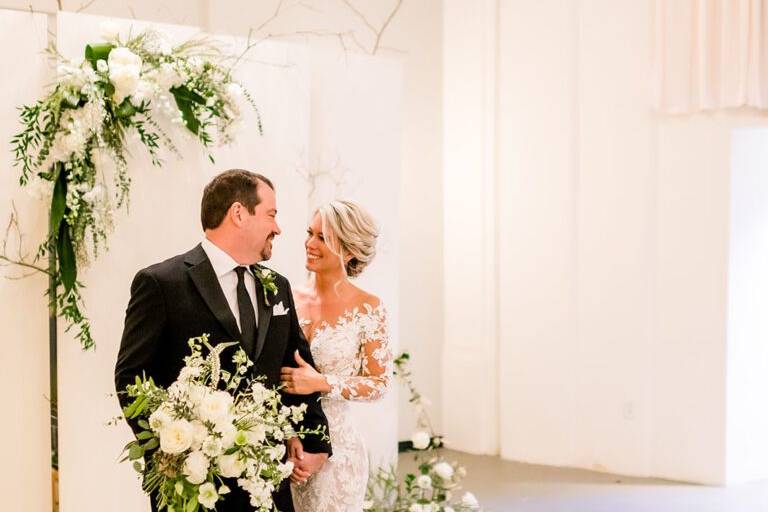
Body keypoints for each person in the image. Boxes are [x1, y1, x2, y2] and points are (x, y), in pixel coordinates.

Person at [114, 169, 331, 512]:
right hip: (193, 488)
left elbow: (296, 367)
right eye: (271, 215)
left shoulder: (277, 287)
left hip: (267, 482)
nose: (278, 228)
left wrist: (315, 443)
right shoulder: (161, 283)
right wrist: (173, 452)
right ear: (239, 214)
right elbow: (131, 378)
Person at [279, 200, 392, 512]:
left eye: (322, 238)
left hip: (341, 453)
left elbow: (378, 384)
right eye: (309, 233)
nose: (309, 243)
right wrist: (290, 438)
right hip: (290, 449)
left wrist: (321, 382)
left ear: (349, 250)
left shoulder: (368, 308)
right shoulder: (287, 298)